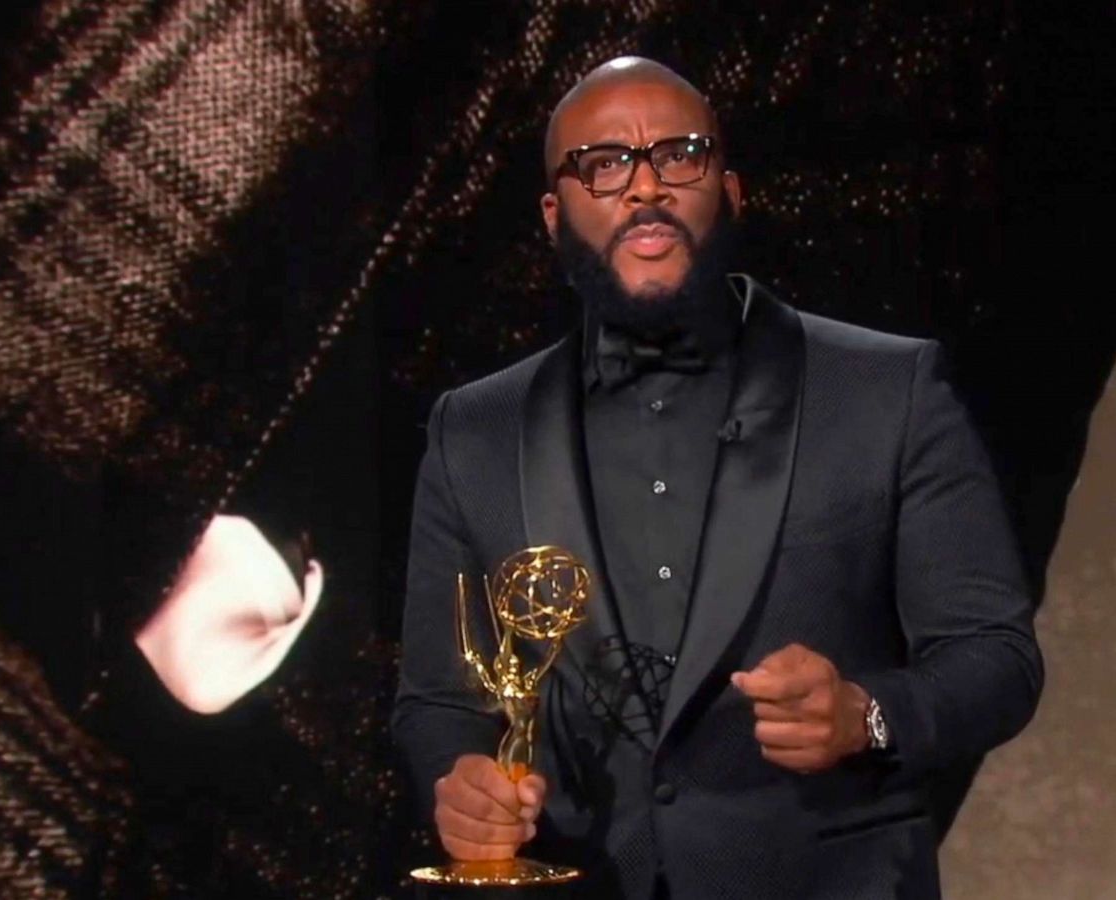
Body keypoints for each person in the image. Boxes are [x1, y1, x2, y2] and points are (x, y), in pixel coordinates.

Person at [392, 56, 1043, 900]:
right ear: (554, 216)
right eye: (605, 165)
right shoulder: (472, 429)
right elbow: (438, 699)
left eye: (680, 155)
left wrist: (865, 715)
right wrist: (460, 784)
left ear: (731, 192)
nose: (644, 187)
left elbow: (996, 659)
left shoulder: (889, 391)